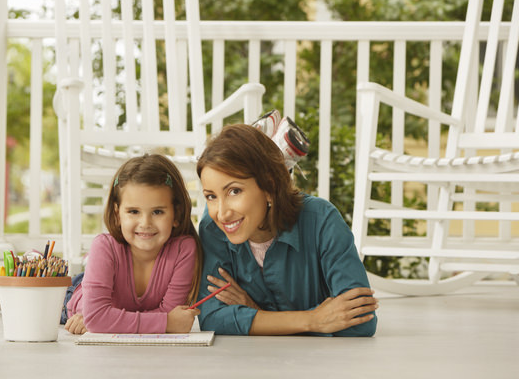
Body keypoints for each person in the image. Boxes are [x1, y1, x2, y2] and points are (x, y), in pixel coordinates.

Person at [196, 124, 378, 336]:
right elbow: (212, 318)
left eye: (234, 191)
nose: (221, 213)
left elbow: (360, 322)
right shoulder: (213, 228)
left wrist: (255, 315)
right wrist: (311, 320)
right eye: (211, 196)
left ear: (269, 186)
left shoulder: (322, 221)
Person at [62, 154, 202, 334]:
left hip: (107, 297)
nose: (145, 223)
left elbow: (170, 313)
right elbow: (97, 318)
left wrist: (107, 319)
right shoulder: (104, 246)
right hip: (77, 296)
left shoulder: (184, 249)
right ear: (117, 214)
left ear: (176, 214)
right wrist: (164, 323)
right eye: (134, 211)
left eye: (158, 212)